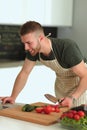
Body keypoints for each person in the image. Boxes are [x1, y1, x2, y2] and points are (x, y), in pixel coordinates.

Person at [0, 21, 87, 108]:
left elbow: (85, 76)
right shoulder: (34, 50)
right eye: (24, 43)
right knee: (62, 117)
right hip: (62, 84)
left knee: (78, 116)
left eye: (29, 43)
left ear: (41, 38)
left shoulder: (66, 47)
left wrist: (72, 97)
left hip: (80, 84)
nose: (26, 48)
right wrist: (13, 97)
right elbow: (24, 73)